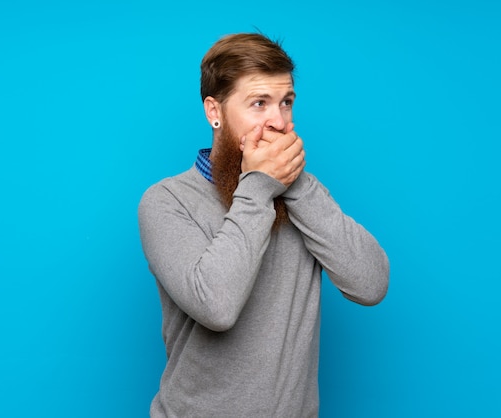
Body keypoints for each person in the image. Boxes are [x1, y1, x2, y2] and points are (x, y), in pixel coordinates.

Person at [138, 32, 389, 417]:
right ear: (214, 111)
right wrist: (258, 186)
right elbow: (217, 307)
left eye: (286, 103)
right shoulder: (166, 201)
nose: (279, 123)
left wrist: (293, 181)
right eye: (259, 104)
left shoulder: (302, 195)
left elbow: (370, 284)